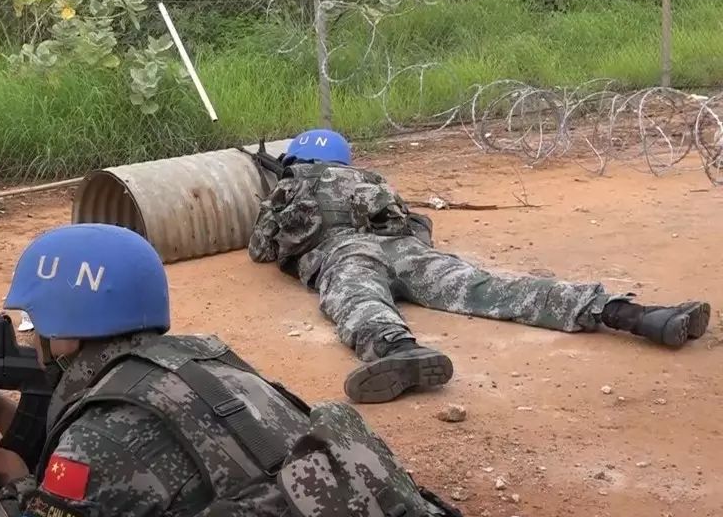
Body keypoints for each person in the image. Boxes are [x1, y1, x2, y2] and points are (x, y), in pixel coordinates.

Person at [0, 222, 722, 517]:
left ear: (67, 326)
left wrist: (17, 484)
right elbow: (166, 460)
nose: (32, 334)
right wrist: (6, 409)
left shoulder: (101, 441)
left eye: (36, 320)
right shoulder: (199, 363)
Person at [247, 128, 712, 405]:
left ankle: (397, 349)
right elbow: (411, 221)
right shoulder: (369, 178)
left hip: (347, 252)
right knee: (491, 289)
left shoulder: (292, 184)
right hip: (405, 249)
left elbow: (262, 250)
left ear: (297, 159)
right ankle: (632, 314)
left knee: (357, 296)